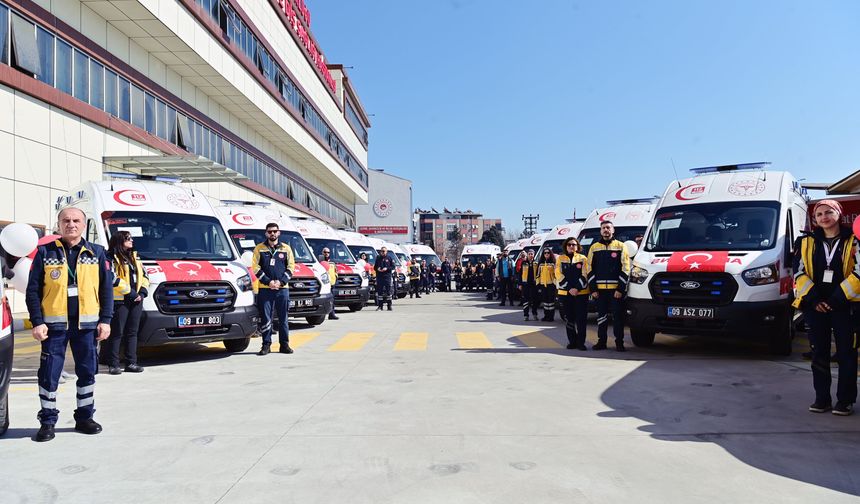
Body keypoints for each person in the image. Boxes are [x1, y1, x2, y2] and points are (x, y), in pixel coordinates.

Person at [26, 207, 113, 442]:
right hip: (53, 328)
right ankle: (47, 422)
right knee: (49, 375)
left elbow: (106, 290)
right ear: (59, 224)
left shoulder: (97, 252)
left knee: (87, 373)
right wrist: (37, 322)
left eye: (76, 220)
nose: (71, 224)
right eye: (66, 220)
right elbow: (33, 290)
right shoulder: (45, 252)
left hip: (87, 327)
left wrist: (106, 320)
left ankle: (85, 417)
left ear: (84, 225)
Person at [794, 199, 860, 415]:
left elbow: (859, 272)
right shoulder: (805, 241)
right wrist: (814, 300)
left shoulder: (855, 240)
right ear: (815, 219)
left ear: (839, 214)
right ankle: (822, 399)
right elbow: (799, 273)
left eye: (829, 212)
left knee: (846, 354)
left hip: (846, 306)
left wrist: (835, 300)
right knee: (818, 353)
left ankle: (845, 401)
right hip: (816, 307)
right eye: (819, 214)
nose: (824, 217)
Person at [106, 231, 149, 374]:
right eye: (128, 238)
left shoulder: (134, 257)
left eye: (131, 238)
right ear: (119, 241)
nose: (131, 240)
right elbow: (112, 277)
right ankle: (113, 364)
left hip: (136, 300)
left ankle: (131, 363)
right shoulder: (110, 257)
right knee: (117, 333)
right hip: (120, 300)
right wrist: (130, 293)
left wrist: (142, 292)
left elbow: (145, 275)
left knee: (132, 332)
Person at [251, 222, 296, 356]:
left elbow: (291, 267)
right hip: (265, 289)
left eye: (275, 231)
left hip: (282, 290)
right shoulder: (259, 248)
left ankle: (284, 345)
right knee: (266, 318)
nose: (272, 233)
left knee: (283, 318)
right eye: (270, 231)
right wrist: (268, 281)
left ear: (279, 233)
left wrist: (281, 282)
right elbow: (255, 268)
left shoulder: (286, 248)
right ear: (266, 233)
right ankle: (266, 345)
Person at [586, 220, 631, 351]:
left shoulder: (621, 246)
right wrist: (593, 289)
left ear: (613, 230)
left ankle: (619, 343)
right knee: (601, 317)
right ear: (600, 231)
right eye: (603, 228)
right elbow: (589, 268)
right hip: (599, 291)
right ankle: (602, 342)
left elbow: (626, 268)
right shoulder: (594, 247)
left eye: (608, 227)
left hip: (616, 291)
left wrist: (620, 289)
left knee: (618, 318)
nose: (606, 230)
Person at [556, 237, 589, 350]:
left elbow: (585, 274)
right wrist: (570, 288)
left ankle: (581, 343)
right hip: (565, 293)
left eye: (574, 244)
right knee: (569, 319)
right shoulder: (560, 258)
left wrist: (577, 288)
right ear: (566, 246)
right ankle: (572, 342)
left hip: (581, 293)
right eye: (569, 244)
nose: (571, 246)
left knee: (581, 319)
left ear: (577, 246)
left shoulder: (583, 258)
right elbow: (558, 274)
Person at [537, 249, 558, 321]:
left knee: (551, 301)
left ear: (550, 254)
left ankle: (551, 317)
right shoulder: (541, 264)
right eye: (545, 253)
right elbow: (538, 275)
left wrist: (555, 284)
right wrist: (538, 285)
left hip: (551, 285)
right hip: (543, 285)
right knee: (545, 301)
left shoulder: (553, 263)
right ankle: (546, 316)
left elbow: (556, 274)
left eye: (548, 253)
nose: (546, 254)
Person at [519, 250, 539, 321]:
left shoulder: (536, 263)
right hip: (525, 284)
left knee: (534, 300)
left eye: (532, 254)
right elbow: (520, 274)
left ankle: (535, 314)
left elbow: (538, 274)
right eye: (529, 254)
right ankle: (526, 315)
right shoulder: (524, 263)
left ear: (534, 255)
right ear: (527, 255)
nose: (531, 255)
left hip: (534, 285)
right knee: (525, 300)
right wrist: (520, 284)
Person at [320, 248, 339, 320]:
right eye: (325, 252)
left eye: (328, 252)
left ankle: (332, 314)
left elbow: (336, 271)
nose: (326, 253)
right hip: (325, 284)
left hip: (332, 283)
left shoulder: (332, 262)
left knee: (332, 300)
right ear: (322, 252)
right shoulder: (320, 262)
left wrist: (336, 277)